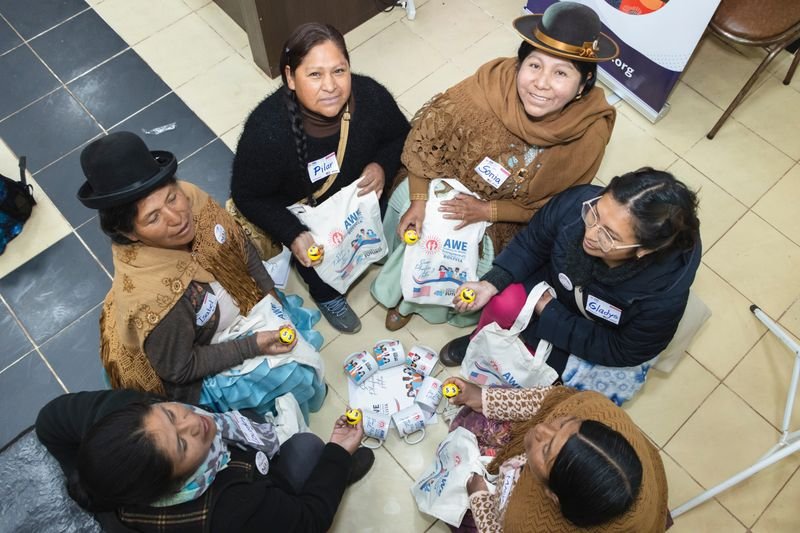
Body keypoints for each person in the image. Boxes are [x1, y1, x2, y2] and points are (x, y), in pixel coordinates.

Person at [372, 2, 619, 331]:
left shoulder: (588, 133)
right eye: (534, 65)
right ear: (519, 63)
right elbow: (428, 139)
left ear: (583, 84)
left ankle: (434, 306)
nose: (541, 83)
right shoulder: (486, 87)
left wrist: (487, 211)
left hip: (507, 213)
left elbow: (554, 209)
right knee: (420, 216)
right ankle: (403, 293)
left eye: (561, 73)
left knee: (478, 248)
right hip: (445, 179)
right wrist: (419, 200)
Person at [77, 131, 326, 418]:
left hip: (237, 313)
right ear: (129, 233)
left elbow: (238, 245)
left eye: (172, 198)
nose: (177, 218)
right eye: (153, 218)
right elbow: (180, 368)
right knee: (292, 374)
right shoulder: (158, 302)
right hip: (200, 362)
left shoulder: (192, 199)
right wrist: (252, 345)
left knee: (293, 329)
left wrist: (269, 295)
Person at [441, 168, 701, 404]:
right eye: (595, 213)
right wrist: (491, 283)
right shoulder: (576, 204)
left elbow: (623, 349)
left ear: (644, 250)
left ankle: (512, 386)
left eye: (609, 236)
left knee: (551, 385)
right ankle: (482, 341)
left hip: (591, 334)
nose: (590, 233)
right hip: (555, 288)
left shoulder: (662, 296)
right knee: (502, 299)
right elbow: (533, 242)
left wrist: (550, 312)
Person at [230, 22, 410, 334]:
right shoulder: (266, 131)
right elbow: (249, 195)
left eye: (339, 71)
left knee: (363, 243)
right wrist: (293, 233)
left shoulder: (370, 97)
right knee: (319, 265)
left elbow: (400, 136)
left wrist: (381, 165)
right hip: (309, 221)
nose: (331, 86)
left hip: (358, 203)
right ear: (290, 77)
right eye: (315, 74)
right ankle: (328, 296)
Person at [35, 389, 374, 532]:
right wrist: (338, 454)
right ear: (174, 485)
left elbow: (48, 422)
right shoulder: (232, 509)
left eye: (170, 413)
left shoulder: (119, 421)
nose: (194, 423)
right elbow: (309, 521)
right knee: (305, 450)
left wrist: (85, 476)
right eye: (182, 445)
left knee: (250, 416)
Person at [440, 378, 668, 532]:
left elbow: (500, 528)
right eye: (564, 422)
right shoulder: (600, 411)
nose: (541, 429)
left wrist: (479, 496)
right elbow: (555, 401)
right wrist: (482, 397)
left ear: (552, 495)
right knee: (485, 409)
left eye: (547, 449)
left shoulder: (529, 523)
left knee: (458, 517)